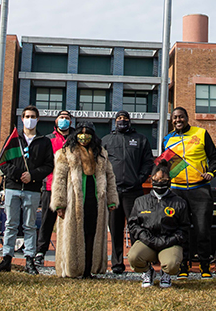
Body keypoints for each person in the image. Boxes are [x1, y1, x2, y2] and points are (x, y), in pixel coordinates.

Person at [50, 121, 119, 278]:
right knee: (73, 234)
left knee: (92, 233)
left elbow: (110, 176)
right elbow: (59, 178)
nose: (84, 136)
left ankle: (89, 269)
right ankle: (72, 269)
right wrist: (59, 203)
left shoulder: (101, 153)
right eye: (81, 132)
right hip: (72, 200)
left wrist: (112, 199)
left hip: (95, 200)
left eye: (88, 132)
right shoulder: (65, 152)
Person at [0, 106, 54, 274]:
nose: (29, 119)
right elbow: (3, 163)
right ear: (22, 118)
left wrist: (32, 175)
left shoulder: (44, 141)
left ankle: (29, 259)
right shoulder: (13, 140)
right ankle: (7, 258)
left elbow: (49, 165)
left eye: (33, 116)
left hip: (32, 190)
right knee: (10, 224)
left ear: (37, 119)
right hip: (13, 187)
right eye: (27, 116)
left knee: (30, 225)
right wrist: (19, 175)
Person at [162, 107, 216, 279]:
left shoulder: (201, 133)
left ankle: (204, 266)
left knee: (202, 230)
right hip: (177, 190)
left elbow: (214, 157)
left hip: (199, 189)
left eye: (181, 117)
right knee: (181, 230)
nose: (178, 120)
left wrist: (211, 172)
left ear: (187, 118)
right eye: (174, 117)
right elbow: (164, 164)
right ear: (171, 120)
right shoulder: (167, 139)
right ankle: (183, 266)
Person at [102, 110, 155, 274]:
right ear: (114, 121)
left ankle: (138, 262)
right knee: (115, 228)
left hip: (134, 191)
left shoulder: (140, 139)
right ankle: (117, 263)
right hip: (114, 191)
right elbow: (100, 163)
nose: (122, 120)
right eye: (119, 118)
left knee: (136, 227)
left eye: (125, 118)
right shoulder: (107, 140)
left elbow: (148, 162)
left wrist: (139, 179)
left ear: (130, 121)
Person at [127, 159, 190, 288]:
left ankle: (165, 273)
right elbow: (133, 224)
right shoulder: (140, 201)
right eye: (156, 180)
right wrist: (146, 238)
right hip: (148, 242)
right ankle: (147, 272)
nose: (159, 183)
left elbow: (184, 228)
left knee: (172, 264)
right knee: (133, 257)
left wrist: (169, 240)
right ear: (151, 180)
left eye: (163, 180)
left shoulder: (179, 202)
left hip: (169, 242)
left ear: (169, 181)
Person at [35, 110, 73, 267]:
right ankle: (40, 252)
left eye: (67, 118)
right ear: (56, 121)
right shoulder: (47, 140)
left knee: (70, 222)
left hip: (71, 187)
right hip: (50, 186)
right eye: (61, 117)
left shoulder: (75, 139)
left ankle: (69, 254)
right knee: (47, 221)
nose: (64, 120)